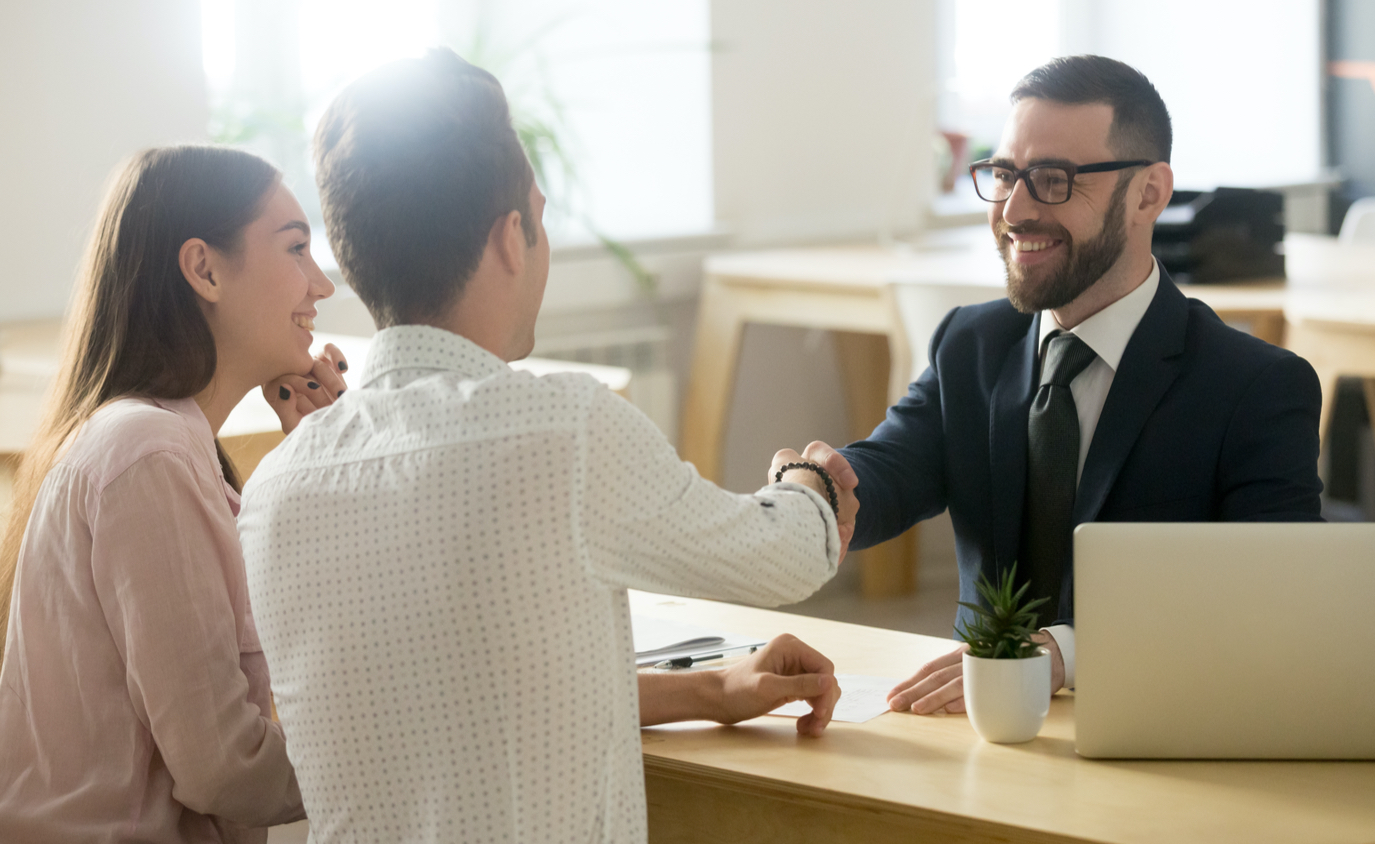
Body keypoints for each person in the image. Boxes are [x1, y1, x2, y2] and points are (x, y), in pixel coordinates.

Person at [235, 48, 856, 844]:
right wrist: (807, 481)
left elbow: (466, 692)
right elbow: (788, 557)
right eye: (541, 216)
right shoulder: (565, 431)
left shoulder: (275, 488)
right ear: (509, 237)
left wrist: (711, 688)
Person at [774, 55, 1323, 716]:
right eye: (1004, 174)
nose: (1015, 210)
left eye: (1054, 180)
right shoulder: (972, 343)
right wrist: (819, 485)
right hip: (975, 726)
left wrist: (1064, 654)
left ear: (1149, 193)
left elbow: (1274, 602)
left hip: (1159, 727)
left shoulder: (1256, 389)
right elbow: (889, 470)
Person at [0, 145, 352, 842]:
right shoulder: (148, 455)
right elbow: (225, 767)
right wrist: (396, 754)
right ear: (204, 269)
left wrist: (313, 467)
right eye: (296, 249)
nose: (322, 285)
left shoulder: (164, 447)